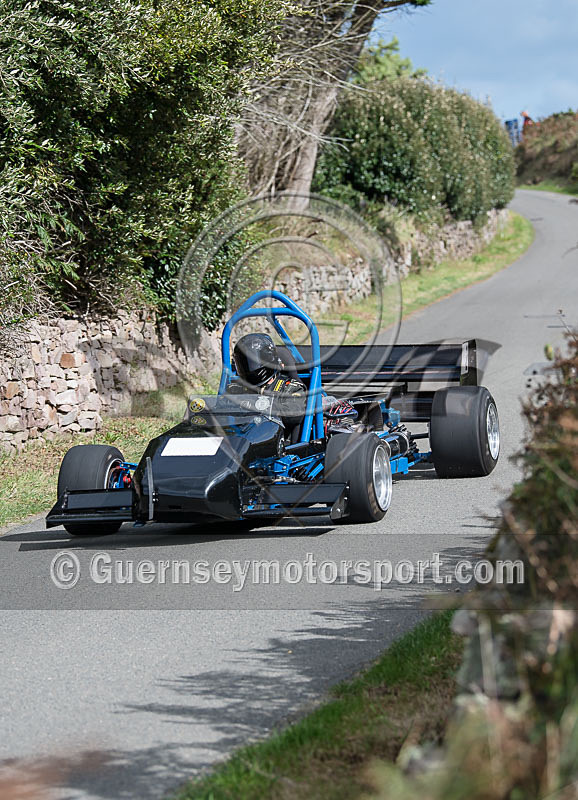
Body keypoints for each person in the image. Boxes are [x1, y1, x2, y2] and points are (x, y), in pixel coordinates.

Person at [229, 333, 307, 438]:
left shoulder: (290, 388)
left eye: (252, 363)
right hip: (239, 441)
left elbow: (294, 414)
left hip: (274, 441)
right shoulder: (237, 390)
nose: (249, 368)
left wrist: (259, 404)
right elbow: (219, 411)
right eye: (244, 363)